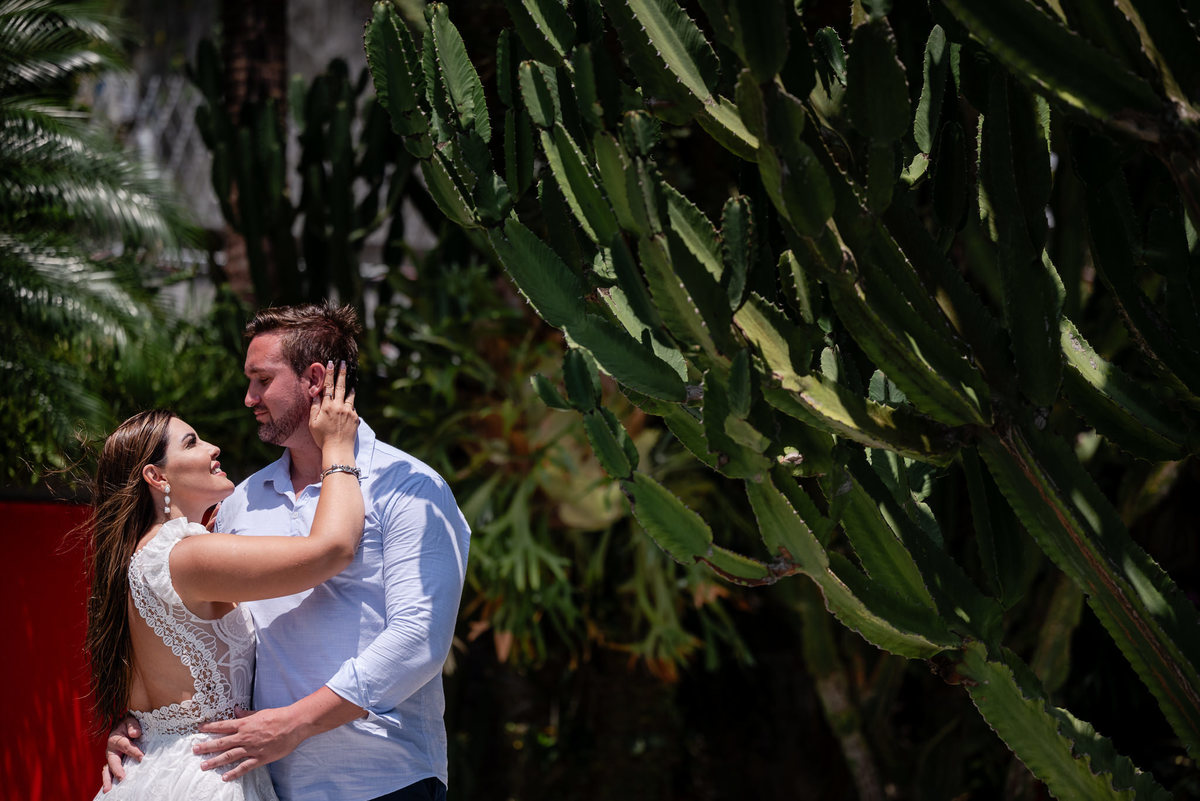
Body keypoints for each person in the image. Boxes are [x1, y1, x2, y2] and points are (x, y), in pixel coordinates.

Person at [105, 301, 471, 801]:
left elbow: (418, 640)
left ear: (315, 379)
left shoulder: (410, 489)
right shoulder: (239, 501)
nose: (249, 398)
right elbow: (189, 629)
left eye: (262, 380)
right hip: (261, 781)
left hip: (382, 780)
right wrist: (152, 725)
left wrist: (294, 724)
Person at [87, 362, 364, 800]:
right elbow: (332, 550)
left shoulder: (144, 555)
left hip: (157, 767)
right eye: (192, 442)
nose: (213, 447)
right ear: (156, 477)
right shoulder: (188, 554)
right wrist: (339, 447)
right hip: (206, 773)